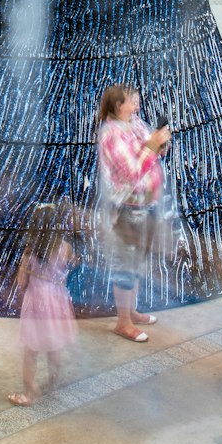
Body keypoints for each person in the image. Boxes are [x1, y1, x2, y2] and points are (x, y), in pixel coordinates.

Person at [96, 83, 169, 343]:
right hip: (128, 209)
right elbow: (132, 172)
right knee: (125, 265)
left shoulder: (135, 123)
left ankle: (132, 311)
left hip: (146, 206)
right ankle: (123, 323)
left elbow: (151, 154)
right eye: (131, 99)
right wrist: (151, 146)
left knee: (137, 262)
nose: (137, 102)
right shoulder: (111, 134)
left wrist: (159, 144)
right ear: (118, 105)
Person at [8, 202, 77, 406]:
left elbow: (22, 282)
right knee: (53, 345)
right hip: (58, 301)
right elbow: (68, 271)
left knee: (31, 350)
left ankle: (29, 393)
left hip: (37, 303)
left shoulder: (30, 252)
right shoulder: (66, 248)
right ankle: (54, 381)